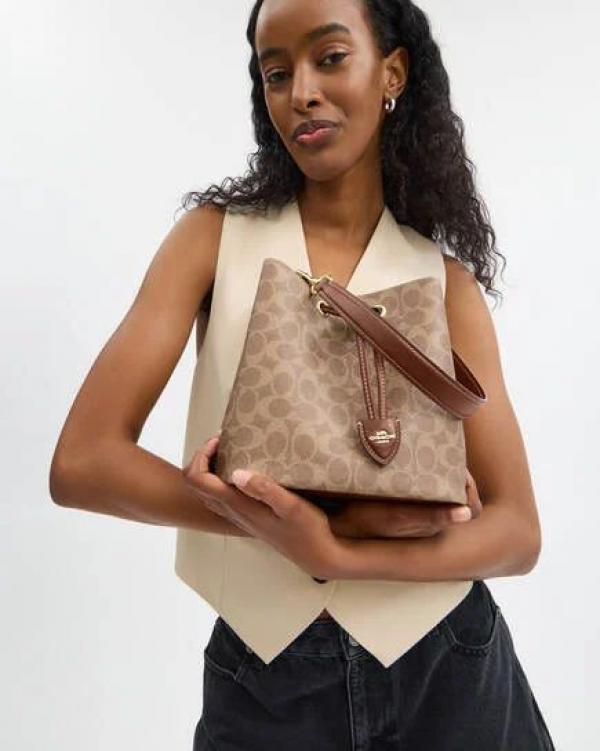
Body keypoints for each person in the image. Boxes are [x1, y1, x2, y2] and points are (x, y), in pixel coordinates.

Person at [49, 0, 556, 748]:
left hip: (447, 665)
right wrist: (291, 520)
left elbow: (517, 532)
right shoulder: (212, 240)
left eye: (330, 58)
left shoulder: (446, 284)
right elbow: (83, 463)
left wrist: (337, 551)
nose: (302, 93)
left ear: (392, 73)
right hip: (267, 678)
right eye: (276, 73)